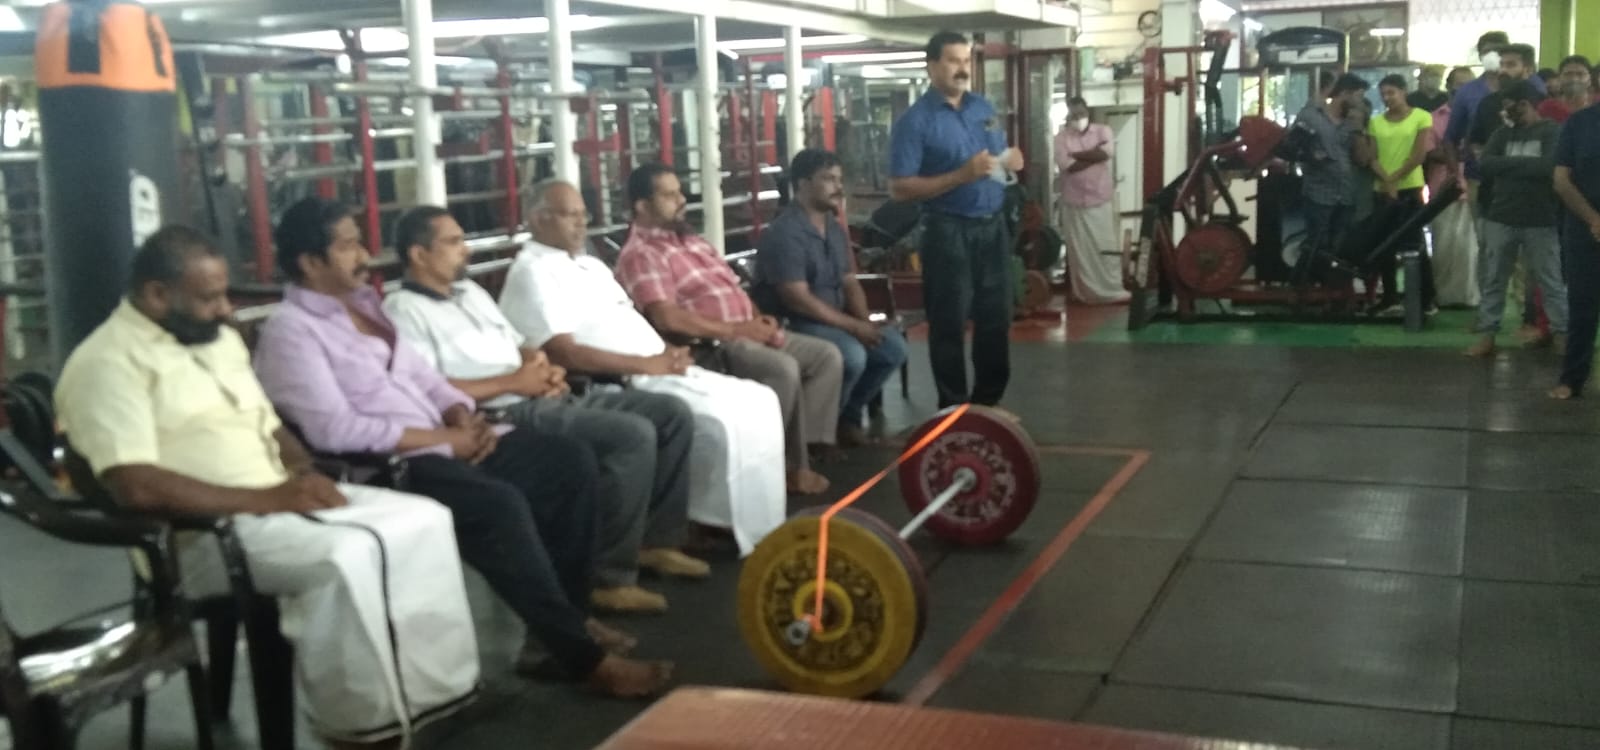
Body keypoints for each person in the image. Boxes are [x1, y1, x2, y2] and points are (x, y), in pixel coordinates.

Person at [55, 226, 480, 749]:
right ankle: (361, 730)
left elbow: (270, 424)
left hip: (274, 500)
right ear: (157, 294)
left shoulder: (215, 340)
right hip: (197, 538)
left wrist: (303, 471)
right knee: (345, 556)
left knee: (426, 519)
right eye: (209, 298)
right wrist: (270, 500)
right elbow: (136, 487)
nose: (225, 309)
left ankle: (427, 700)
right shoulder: (107, 363)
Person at [253, 197, 672, 697]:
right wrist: (444, 440)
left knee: (568, 463)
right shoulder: (291, 332)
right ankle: (584, 660)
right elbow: (334, 430)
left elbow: (425, 379)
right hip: (390, 463)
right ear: (310, 262)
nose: (363, 255)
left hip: (446, 437)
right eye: (347, 246)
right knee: (498, 504)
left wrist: (457, 413)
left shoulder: (363, 310)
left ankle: (563, 625)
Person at [382, 205, 708, 615]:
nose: (466, 249)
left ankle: (656, 542)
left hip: (538, 391)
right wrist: (514, 382)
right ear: (419, 254)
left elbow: (520, 344)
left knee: (671, 413)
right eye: (453, 242)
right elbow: (429, 390)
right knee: (630, 435)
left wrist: (542, 367)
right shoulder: (403, 311)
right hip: (503, 409)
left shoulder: (470, 293)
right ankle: (608, 577)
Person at [498, 179, 789, 555]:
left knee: (758, 399)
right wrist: (647, 364)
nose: (582, 223)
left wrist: (668, 352)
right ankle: (707, 520)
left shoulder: (589, 265)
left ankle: (753, 522)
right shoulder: (531, 272)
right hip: (619, 377)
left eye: (584, 214)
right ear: (539, 219)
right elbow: (564, 353)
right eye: (570, 215)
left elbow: (628, 318)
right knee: (717, 418)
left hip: (658, 363)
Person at [615, 163, 842, 495]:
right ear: (642, 206)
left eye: (680, 192)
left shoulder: (692, 241)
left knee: (827, 356)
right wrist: (738, 330)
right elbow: (667, 318)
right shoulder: (641, 254)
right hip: (710, 345)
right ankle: (783, 467)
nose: (681, 200)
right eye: (670, 195)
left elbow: (733, 288)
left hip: (744, 330)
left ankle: (804, 448)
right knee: (782, 369)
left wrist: (759, 319)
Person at [887, 30, 1024, 413]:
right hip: (947, 230)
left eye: (966, 61)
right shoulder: (915, 122)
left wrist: (1010, 161)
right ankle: (953, 408)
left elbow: (996, 159)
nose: (962, 69)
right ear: (932, 66)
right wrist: (960, 176)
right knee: (948, 322)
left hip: (992, 226)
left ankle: (988, 404)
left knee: (996, 318)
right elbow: (899, 188)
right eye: (953, 61)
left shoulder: (982, 108)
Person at [753, 149, 909, 447]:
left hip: (834, 319)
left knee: (892, 348)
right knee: (852, 355)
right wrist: (854, 328)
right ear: (802, 184)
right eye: (828, 179)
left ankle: (846, 420)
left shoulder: (833, 228)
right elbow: (797, 298)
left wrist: (865, 324)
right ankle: (816, 435)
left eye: (839, 179)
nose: (837, 186)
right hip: (795, 321)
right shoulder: (785, 232)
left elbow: (849, 281)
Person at [1465, 82, 1567, 357]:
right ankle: (1488, 335)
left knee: (1550, 281)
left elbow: (1549, 167)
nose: (1506, 113)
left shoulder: (1552, 131)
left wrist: (1506, 166)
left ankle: (1562, 335)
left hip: (1541, 219)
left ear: (1525, 104)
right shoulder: (1501, 133)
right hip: (1501, 216)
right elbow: (1485, 164)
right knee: (1494, 280)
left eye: (1510, 106)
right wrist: (1526, 168)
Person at [1289, 72, 1368, 282]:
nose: (1360, 103)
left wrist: (1359, 130)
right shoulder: (1311, 116)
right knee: (1317, 244)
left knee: (1339, 248)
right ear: (1345, 93)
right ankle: (1301, 287)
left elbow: (1363, 160)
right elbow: (1290, 148)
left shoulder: (1353, 123)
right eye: (1358, 96)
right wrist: (1311, 157)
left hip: (1346, 195)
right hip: (1318, 193)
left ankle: (1332, 289)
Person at [1368, 74, 1437, 312]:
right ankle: (1389, 297)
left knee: (1415, 243)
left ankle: (1425, 299)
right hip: (1382, 189)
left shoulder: (1422, 117)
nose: (1387, 98)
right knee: (1383, 245)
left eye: (1391, 93)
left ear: (1403, 92)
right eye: (1383, 94)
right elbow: (1372, 157)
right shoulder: (1375, 122)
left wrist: (1394, 179)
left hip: (1410, 187)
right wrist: (1387, 181)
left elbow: (1419, 156)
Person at [1053, 96, 1130, 304]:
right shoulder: (1061, 138)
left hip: (1100, 199)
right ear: (1068, 115)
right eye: (1074, 115)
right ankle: (1085, 294)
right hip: (1074, 203)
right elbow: (1068, 166)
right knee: (1081, 252)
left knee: (1106, 244)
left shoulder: (1103, 131)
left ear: (1088, 112)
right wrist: (1093, 155)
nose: (1078, 118)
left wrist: (1077, 154)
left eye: (1081, 113)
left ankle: (1112, 289)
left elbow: (1106, 153)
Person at [1551, 98, 1600, 399]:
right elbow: (1561, 180)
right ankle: (1572, 378)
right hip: (1583, 226)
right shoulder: (1579, 123)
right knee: (1582, 305)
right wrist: (1594, 219)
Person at [1538, 55, 1595, 123]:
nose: (1574, 79)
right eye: (1568, 74)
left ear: (1589, 80)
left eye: (1580, 74)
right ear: (1559, 79)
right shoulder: (1547, 107)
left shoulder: (1596, 107)